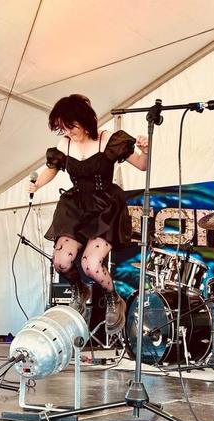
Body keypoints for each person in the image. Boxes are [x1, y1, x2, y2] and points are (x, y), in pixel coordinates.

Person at [29, 94, 148, 332]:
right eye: (62, 127)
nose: (68, 131)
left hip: (105, 206)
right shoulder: (65, 144)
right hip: (76, 206)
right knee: (61, 262)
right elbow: (51, 170)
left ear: (85, 120)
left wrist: (146, 149)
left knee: (91, 265)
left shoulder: (109, 140)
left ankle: (114, 297)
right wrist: (37, 184)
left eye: (70, 125)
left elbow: (143, 165)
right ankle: (79, 289)